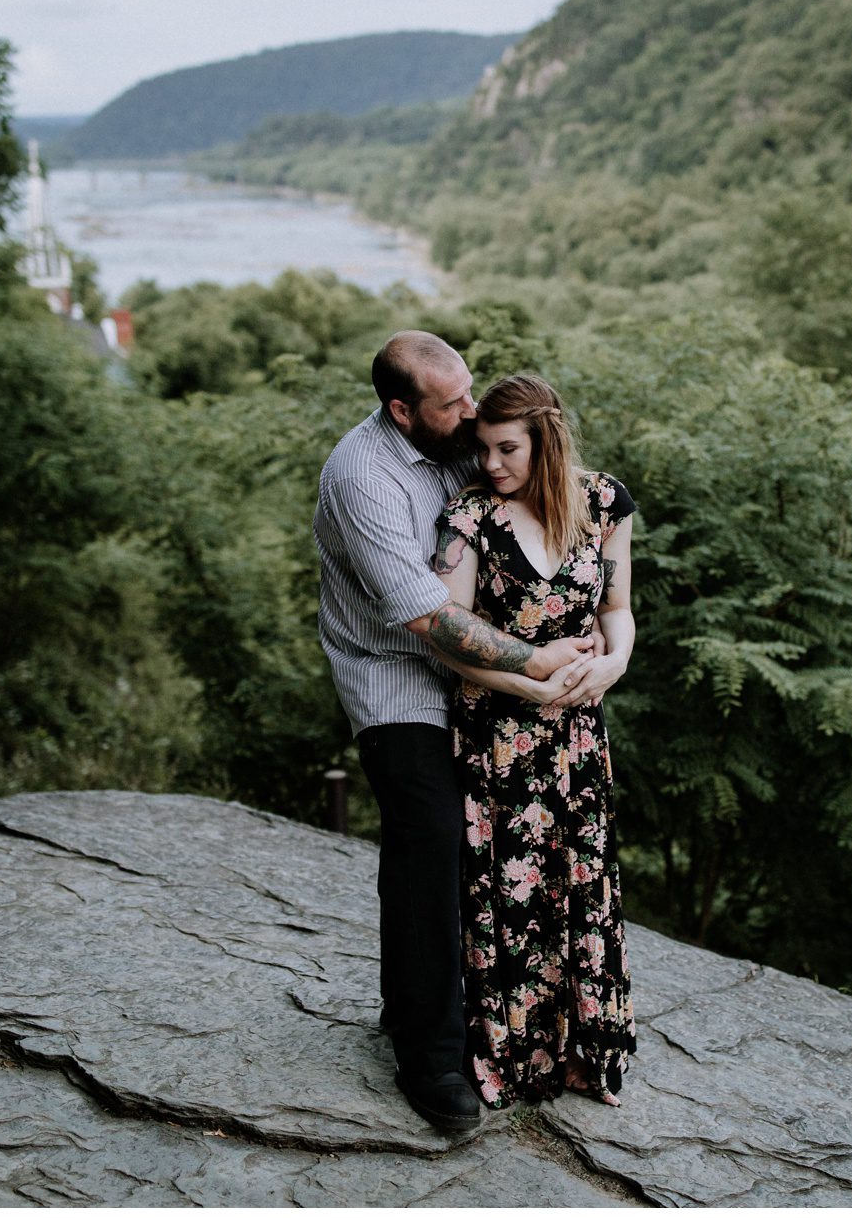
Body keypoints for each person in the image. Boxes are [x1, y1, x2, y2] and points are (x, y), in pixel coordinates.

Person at [313, 332, 594, 1137]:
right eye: (453, 402)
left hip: (488, 668)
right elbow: (430, 620)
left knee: (509, 834)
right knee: (430, 831)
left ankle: (506, 1016)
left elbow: (542, 485)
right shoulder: (362, 478)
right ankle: (428, 1054)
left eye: (470, 391)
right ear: (402, 411)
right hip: (399, 671)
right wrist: (538, 663)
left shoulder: (458, 440)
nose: (471, 411)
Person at [428, 373, 637, 1108]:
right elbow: (448, 639)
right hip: (498, 733)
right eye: (482, 448)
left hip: (577, 734)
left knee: (580, 882)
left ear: (545, 440)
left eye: (506, 448)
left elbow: (617, 609)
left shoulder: (604, 503)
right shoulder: (469, 517)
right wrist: (529, 685)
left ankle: (585, 1053)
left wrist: (613, 664)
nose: (490, 463)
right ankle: (515, 1057)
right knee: (509, 892)